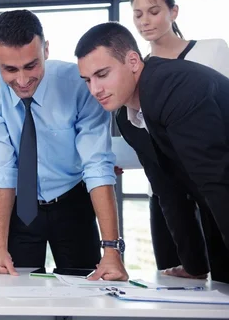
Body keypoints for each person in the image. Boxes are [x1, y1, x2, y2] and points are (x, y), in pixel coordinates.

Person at [0, 9, 128, 281]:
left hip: (72, 202)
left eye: (31, 66)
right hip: (21, 207)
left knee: (86, 294)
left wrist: (112, 250)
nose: (21, 80)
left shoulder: (79, 85)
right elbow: (2, 165)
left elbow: (97, 164)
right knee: (15, 297)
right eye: (9, 69)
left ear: (46, 49)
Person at [75, 21, 229, 284]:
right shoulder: (126, 117)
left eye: (102, 74)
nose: (94, 90)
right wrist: (194, 265)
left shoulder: (176, 88)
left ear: (133, 61)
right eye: (87, 80)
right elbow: (167, 189)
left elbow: (217, 181)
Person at [117, 0, 229, 280]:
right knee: (185, 273)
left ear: (173, 11)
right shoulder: (137, 72)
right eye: (137, 14)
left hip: (216, 176)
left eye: (153, 11)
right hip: (171, 188)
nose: (145, 21)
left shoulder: (212, 51)